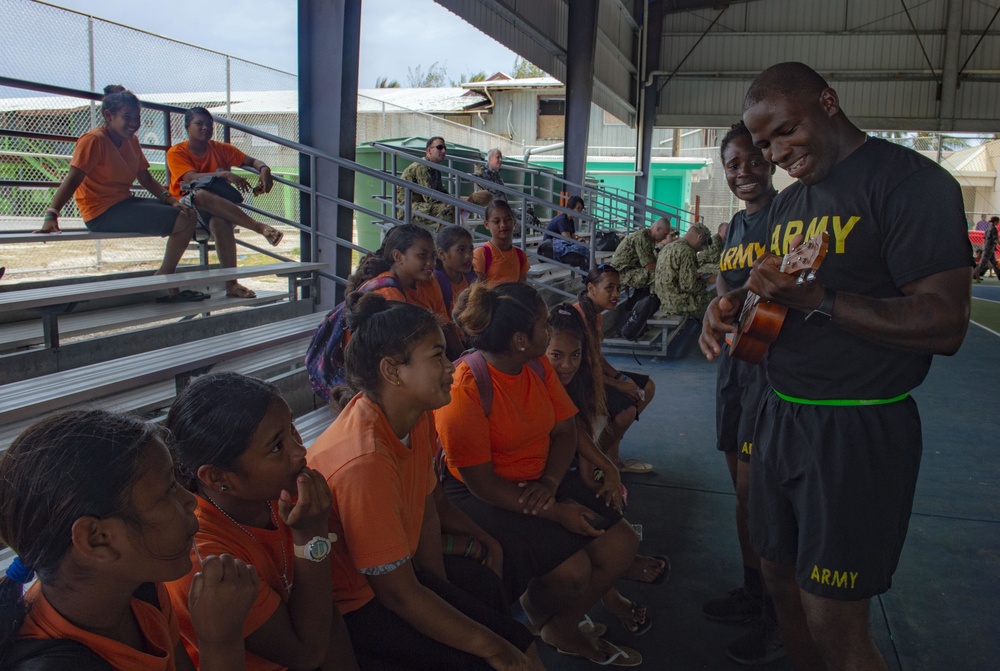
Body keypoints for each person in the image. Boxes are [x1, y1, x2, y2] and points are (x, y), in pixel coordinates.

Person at [702, 62, 971, 670]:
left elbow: (946, 323)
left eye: (786, 132)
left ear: (829, 102)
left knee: (834, 616)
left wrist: (821, 301)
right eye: (765, 142)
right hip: (779, 414)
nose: (775, 153)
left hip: (856, 428)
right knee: (779, 580)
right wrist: (723, 308)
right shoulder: (789, 203)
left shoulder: (910, 184)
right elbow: (760, 289)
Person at [307, 293, 545, 671]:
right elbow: (399, 596)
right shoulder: (365, 462)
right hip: (354, 605)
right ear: (392, 371)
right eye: (437, 355)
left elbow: (428, 509)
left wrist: (445, 587)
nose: (451, 366)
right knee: (506, 654)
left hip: (397, 578)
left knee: (497, 610)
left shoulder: (415, 416)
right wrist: (491, 647)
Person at [436, 282, 642, 667]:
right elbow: (481, 483)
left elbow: (565, 429)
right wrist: (554, 510)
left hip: (540, 477)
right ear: (519, 340)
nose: (550, 331)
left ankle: (556, 625)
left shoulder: (534, 364)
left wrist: (550, 484)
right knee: (574, 571)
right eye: (544, 325)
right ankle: (549, 618)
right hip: (484, 493)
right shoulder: (465, 389)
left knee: (621, 546)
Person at [0, 409, 257, 670]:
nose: (190, 500)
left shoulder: (139, 588)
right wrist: (221, 641)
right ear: (98, 540)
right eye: (169, 489)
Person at [164, 373, 359, 671]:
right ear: (217, 477)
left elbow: (327, 615)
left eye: (292, 429)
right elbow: (306, 655)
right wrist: (311, 535)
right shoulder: (206, 559)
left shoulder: (278, 494)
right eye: (277, 446)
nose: (299, 451)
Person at [698, 121, 784, 665]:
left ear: (771, 160)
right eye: (733, 164)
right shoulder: (734, 227)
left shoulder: (787, 217)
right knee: (741, 496)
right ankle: (754, 593)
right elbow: (725, 282)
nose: (744, 172)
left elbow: (786, 291)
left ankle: (780, 616)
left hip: (767, 373)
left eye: (754, 160)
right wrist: (719, 300)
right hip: (733, 370)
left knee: (761, 499)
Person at [545, 305, 670, 595]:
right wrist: (593, 475)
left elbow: (579, 428)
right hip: (546, 474)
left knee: (614, 521)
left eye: (575, 355)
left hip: (565, 466)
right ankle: (615, 585)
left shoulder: (579, 380)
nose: (567, 365)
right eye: (557, 355)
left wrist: (601, 470)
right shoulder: (538, 380)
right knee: (600, 538)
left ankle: (615, 575)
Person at [37, 85, 199, 302]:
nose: (134, 122)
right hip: (101, 212)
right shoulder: (94, 140)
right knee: (183, 219)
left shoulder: (131, 140)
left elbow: (146, 177)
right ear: (108, 116)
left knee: (187, 212)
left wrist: (171, 200)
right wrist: (51, 214)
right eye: (127, 116)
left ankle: (164, 274)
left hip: (124, 202)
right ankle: (164, 276)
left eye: (137, 116)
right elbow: (73, 178)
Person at [166, 107, 285, 299]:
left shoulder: (221, 148)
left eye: (209, 125)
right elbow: (190, 178)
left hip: (216, 209)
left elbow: (251, 160)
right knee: (200, 194)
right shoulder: (176, 152)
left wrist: (264, 168)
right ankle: (258, 227)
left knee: (220, 224)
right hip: (187, 208)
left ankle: (231, 284)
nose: (205, 128)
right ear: (188, 127)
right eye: (199, 124)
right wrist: (223, 174)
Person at [576, 265, 657, 474]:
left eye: (618, 288)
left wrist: (620, 376)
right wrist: (619, 385)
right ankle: (594, 460)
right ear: (591, 288)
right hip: (577, 382)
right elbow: (582, 369)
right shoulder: (578, 316)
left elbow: (596, 358)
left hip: (592, 375)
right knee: (626, 411)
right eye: (609, 288)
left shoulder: (597, 315)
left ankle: (612, 456)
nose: (615, 294)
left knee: (646, 387)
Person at [348, 224, 464, 359]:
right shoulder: (386, 293)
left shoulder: (430, 282)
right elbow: (402, 351)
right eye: (422, 256)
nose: (430, 263)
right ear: (398, 256)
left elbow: (446, 326)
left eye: (433, 256)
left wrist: (463, 359)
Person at [472, 148, 542, 234]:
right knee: (514, 223)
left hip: (503, 207)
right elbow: (472, 177)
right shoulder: (484, 172)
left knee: (529, 218)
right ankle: (510, 241)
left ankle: (513, 241)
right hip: (491, 209)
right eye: (498, 157)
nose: (500, 160)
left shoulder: (496, 173)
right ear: (490, 159)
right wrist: (457, 178)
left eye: (501, 158)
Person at [654, 222, 714, 318]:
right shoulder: (687, 251)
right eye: (702, 245)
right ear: (699, 237)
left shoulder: (669, 246)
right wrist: (708, 281)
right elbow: (689, 286)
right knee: (716, 297)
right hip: (679, 304)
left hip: (665, 301)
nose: (701, 250)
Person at [396, 136, 455, 231]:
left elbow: (442, 193)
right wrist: (456, 202)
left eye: (445, 148)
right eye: (439, 147)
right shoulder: (422, 166)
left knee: (454, 206)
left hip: (420, 205)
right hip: (408, 208)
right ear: (429, 150)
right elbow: (431, 198)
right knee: (448, 209)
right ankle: (443, 243)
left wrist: (464, 200)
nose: (443, 151)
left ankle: (447, 240)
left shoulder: (435, 169)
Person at [610, 216, 676, 292]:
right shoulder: (642, 237)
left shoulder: (649, 238)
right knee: (662, 275)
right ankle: (653, 301)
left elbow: (653, 259)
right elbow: (649, 266)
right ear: (658, 229)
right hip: (622, 274)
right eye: (665, 234)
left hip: (631, 270)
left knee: (664, 273)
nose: (665, 237)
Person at [473, 200, 530, 286]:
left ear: (513, 221)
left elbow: (522, 290)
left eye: (507, 219)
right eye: (496, 221)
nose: (503, 225)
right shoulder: (481, 254)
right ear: (486, 224)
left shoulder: (520, 255)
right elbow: (476, 293)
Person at [434, 224, 478, 315]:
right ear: (442, 254)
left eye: (470, 249)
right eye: (461, 250)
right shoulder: (435, 281)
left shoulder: (472, 278)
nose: (468, 255)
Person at [544, 196, 591, 268]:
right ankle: (592, 275)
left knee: (583, 254)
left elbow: (572, 240)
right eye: (578, 208)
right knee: (583, 252)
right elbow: (568, 240)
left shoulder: (571, 221)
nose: (580, 211)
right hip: (550, 251)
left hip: (559, 249)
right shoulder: (562, 220)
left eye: (581, 209)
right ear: (570, 208)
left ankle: (589, 276)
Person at [973, 216, 999, 282]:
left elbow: (984, 238)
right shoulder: (994, 229)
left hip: (988, 248)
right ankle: (975, 276)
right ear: (995, 221)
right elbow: (995, 240)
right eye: (998, 221)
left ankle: (999, 275)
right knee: (982, 264)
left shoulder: (988, 228)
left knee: (994, 264)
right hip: (989, 249)